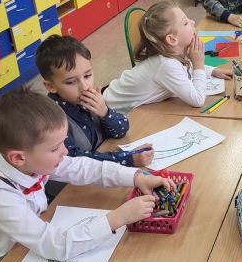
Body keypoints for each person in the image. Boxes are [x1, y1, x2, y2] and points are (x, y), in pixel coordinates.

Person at [0, 89, 173, 262]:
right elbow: (56, 246)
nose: (64, 151)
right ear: (18, 158)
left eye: (63, 141)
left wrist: (135, 177)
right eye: (55, 148)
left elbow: (82, 167)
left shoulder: (30, 162)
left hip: (25, 249)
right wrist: (117, 218)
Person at [36, 35, 154, 168]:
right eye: (71, 82)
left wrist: (105, 113)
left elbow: (121, 131)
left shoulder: (89, 100)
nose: (84, 86)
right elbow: (75, 161)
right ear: (51, 86)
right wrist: (126, 159)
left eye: (87, 76)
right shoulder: (51, 120)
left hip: (104, 165)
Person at [103, 0, 231, 113]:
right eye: (185, 23)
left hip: (110, 98)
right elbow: (198, 100)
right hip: (106, 110)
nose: (192, 22)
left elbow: (186, 67)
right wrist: (199, 64)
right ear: (172, 39)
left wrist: (213, 71)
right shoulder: (166, 65)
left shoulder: (172, 54)